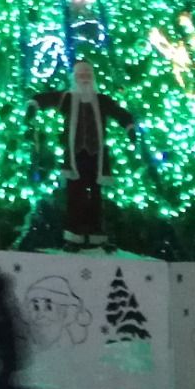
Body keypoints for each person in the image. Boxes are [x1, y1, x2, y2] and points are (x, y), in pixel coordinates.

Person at [31, 60, 135, 248]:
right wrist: (33, 104)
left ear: (92, 77)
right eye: (81, 75)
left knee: (96, 195)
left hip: (96, 156)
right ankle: (74, 235)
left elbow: (119, 113)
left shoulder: (102, 100)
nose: (85, 79)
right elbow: (46, 98)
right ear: (75, 77)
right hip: (75, 156)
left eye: (88, 75)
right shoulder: (67, 98)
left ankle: (96, 233)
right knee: (75, 194)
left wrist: (129, 127)